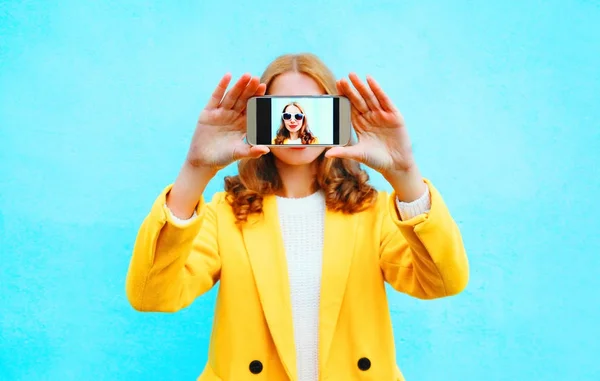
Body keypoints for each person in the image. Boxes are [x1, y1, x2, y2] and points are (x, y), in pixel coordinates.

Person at [125, 53, 469, 381]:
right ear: (258, 117)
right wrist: (195, 169)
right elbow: (151, 296)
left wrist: (405, 173)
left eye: (312, 111)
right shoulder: (225, 215)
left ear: (335, 117)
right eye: (281, 111)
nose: (294, 120)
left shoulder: (373, 212)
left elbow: (442, 283)